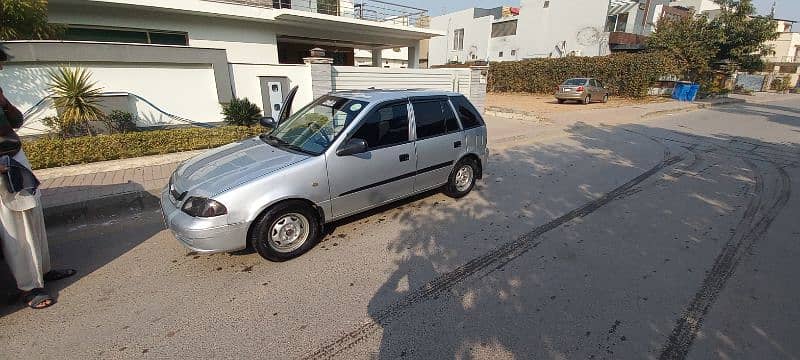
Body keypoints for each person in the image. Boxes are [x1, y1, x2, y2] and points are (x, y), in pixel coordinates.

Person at [0, 47, 75, 309]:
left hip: (16, 160)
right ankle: (29, 288)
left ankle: (42, 271)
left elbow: (17, 121)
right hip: (2, 170)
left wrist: (5, 103)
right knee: (16, 227)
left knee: (34, 216)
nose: (0, 68)